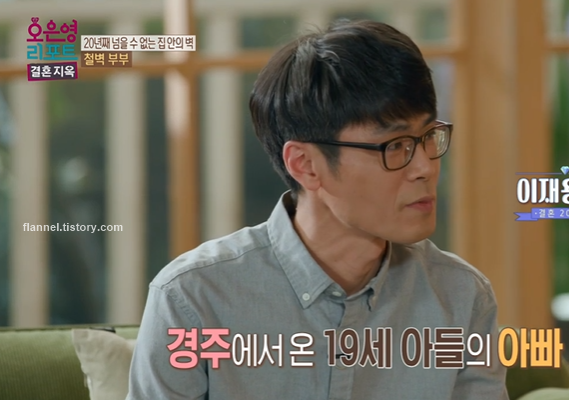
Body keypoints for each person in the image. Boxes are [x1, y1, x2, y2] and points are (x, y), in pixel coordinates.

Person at [127, 19, 508, 400]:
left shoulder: (460, 296)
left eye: (427, 137)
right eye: (395, 146)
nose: (425, 167)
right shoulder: (194, 299)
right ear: (306, 165)